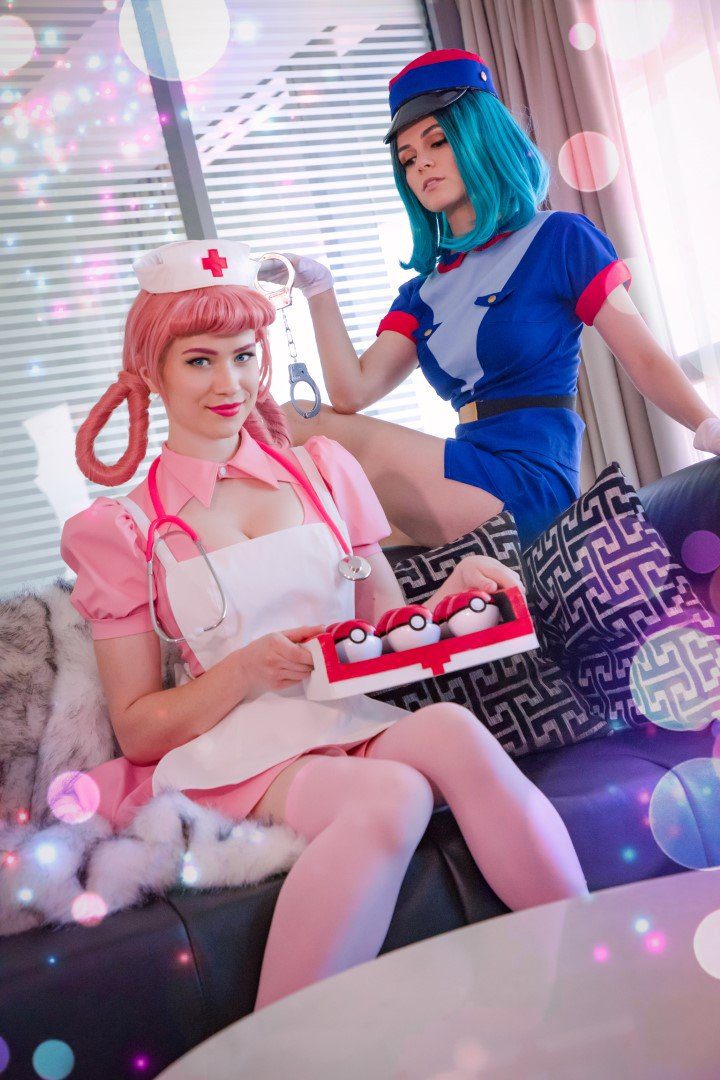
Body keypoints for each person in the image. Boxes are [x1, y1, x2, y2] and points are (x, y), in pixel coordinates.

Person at [61, 238, 589, 1012]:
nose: (230, 383)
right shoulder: (121, 528)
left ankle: (587, 974)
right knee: (391, 797)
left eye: (243, 355)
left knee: (452, 729)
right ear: (151, 372)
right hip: (233, 754)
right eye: (199, 361)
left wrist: (452, 596)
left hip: (341, 718)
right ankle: (274, 1056)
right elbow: (139, 729)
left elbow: (385, 632)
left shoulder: (324, 472)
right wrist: (245, 670)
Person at [277, 49, 720, 550]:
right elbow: (351, 394)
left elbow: (643, 357)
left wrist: (707, 425)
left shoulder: (560, 239)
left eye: (437, 142)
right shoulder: (422, 293)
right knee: (336, 526)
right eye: (407, 158)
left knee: (300, 425)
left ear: (481, 139)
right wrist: (318, 288)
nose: (421, 164)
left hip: (528, 484)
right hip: (466, 475)